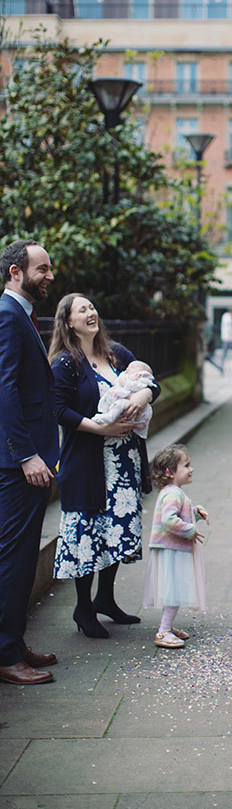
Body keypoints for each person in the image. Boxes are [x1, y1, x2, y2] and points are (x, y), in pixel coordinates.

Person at [49, 293, 160, 638]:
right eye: (82, 310)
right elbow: (57, 409)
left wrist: (144, 394)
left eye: (92, 307)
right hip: (87, 461)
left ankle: (106, 599)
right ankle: (83, 608)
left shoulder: (117, 354)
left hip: (123, 460)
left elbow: (150, 381)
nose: (91, 312)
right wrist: (98, 427)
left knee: (114, 529)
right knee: (88, 532)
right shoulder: (66, 363)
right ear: (68, 321)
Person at [0, 240, 59, 685]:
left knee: (22, 556)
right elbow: (5, 389)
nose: (50, 276)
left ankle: (15, 643)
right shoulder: (6, 314)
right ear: (16, 272)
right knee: (15, 558)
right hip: (18, 464)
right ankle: (6, 654)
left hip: (29, 459)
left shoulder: (22, 313)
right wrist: (26, 454)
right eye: (42, 268)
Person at [143, 444, 209, 648]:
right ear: (170, 472)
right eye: (186, 465)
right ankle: (163, 631)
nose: (191, 469)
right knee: (175, 591)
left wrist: (195, 513)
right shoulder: (173, 494)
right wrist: (190, 530)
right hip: (171, 549)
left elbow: (178, 514)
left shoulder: (173, 492)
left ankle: (167, 626)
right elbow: (169, 520)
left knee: (174, 590)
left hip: (171, 548)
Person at [92, 360, 155, 438]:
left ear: (140, 374)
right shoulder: (127, 375)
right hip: (103, 439)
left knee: (119, 404)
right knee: (117, 405)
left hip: (129, 405)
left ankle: (110, 417)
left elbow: (153, 387)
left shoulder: (140, 380)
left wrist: (146, 392)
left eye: (131, 367)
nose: (127, 369)